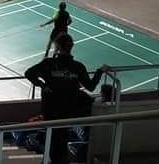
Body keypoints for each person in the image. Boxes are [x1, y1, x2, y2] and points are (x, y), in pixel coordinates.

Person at [25, 34, 110, 164]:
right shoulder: (78, 67)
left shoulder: (48, 63)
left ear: (57, 47)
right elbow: (91, 87)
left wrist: (43, 85)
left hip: (50, 107)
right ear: (71, 47)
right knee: (61, 135)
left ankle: (52, 159)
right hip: (68, 109)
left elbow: (29, 73)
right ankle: (58, 160)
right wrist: (99, 71)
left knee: (52, 135)